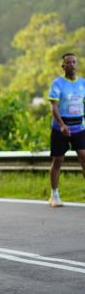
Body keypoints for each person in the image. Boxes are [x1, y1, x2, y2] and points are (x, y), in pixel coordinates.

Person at [48, 53, 85, 207]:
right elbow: (54, 107)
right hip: (60, 128)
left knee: (84, 157)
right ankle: (54, 195)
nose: (71, 65)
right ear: (63, 66)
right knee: (58, 160)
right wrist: (62, 125)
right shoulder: (57, 83)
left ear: (77, 64)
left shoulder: (82, 83)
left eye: (74, 62)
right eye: (68, 62)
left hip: (79, 127)